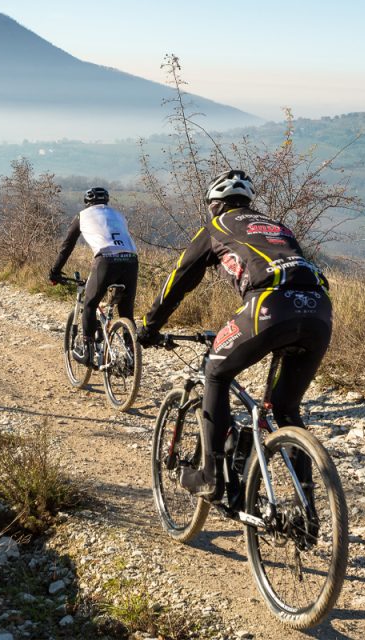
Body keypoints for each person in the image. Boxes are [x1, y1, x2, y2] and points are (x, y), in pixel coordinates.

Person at [136, 169, 332, 500]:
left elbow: (180, 278)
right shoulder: (278, 227)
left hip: (269, 305)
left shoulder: (217, 226)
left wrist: (150, 325)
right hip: (320, 311)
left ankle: (211, 477)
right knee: (286, 408)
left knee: (216, 371)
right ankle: (305, 510)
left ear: (215, 205)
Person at [49, 187, 138, 365]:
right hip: (131, 261)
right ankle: (132, 358)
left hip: (106, 260)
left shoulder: (82, 216)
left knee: (90, 304)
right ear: (106, 201)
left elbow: (67, 246)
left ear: (87, 203)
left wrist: (55, 271)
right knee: (126, 312)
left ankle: (87, 351)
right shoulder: (119, 215)